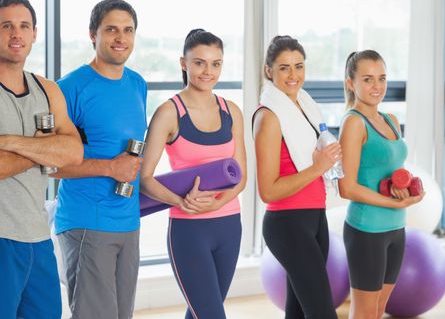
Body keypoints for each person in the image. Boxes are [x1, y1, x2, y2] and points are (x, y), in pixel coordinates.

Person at [0, 0, 83, 319]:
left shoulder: (47, 89)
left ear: (35, 34)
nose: (16, 34)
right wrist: (44, 149)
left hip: (37, 238)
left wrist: (8, 142)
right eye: (6, 26)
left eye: (24, 26)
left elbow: (74, 152)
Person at [140, 29, 246, 319]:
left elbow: (241, 177)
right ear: (184, 63)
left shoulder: (232, 111)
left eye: (216, 63)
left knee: (201, 312)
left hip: (229, 226)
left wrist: (217, 203)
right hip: (189, 231)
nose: (207, 71)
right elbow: (145, 177)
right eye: (199, 62)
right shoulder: (168, 112)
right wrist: (180, 201)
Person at [52, 0, 147, 319]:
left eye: (128, 30)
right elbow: (50, 164)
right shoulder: (70, 89)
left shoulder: (137, 84)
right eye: (111, 30)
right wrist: (110, 167)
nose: (121, 38)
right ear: (93, 34)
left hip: (128, 222)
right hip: (87, 222)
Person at [253, 35, 340, 319]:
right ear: (269, 71)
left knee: (299, 312)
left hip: (315, 217)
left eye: (299, 66)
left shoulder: (304, 106)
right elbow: (267, 191)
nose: (294, 75)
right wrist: (318, 167)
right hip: (287, 224)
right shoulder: (269, 118)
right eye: (284, 68)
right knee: (322, 312)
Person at [338, 50, 424, 319]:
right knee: (364, 313)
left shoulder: (390, 120)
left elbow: (390, 171)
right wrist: (392, 202)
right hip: (367, 231)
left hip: (396, 228)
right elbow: (347, 187)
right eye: (368, 79)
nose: (377, 86)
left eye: (382, 78)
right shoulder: (354, 123)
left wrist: (407, 189)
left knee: (378, 311)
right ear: (351, 83)